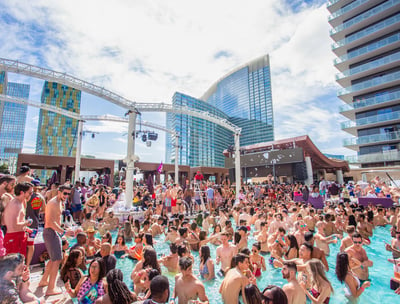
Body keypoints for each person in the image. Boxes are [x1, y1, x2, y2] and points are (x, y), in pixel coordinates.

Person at [39, 184, 71, 296]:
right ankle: (51, 288)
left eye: (68, 194)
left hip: (52, 232)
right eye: (65, 193)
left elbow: (56, 221)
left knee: (53, 259)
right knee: (57, 259)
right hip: (51, 232)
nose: (66, 196)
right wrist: (64, 232)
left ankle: (44, 280)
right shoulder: (53, 203)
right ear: (59, 192)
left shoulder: (59, 202)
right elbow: (51, 222)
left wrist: (64, 228)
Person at [2, 182, 33, 257]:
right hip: (14, 238)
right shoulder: (15, 204)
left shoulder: (20, 203)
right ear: (22, 192)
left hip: (18, 236)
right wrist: (27, 222)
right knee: (12, 266)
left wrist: (25, 228)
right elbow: (14, 225)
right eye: (30, 193)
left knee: (19, 264)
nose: (31, 195)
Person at [25, 179, 46, 266]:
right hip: (35, 223)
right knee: (31, 244)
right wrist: (36, 212)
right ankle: (27, 264)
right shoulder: (40, 197)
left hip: (25, 223)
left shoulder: (27, 197)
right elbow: (44, 210)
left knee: (23, 245)